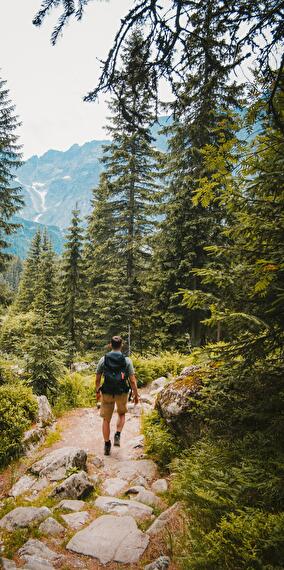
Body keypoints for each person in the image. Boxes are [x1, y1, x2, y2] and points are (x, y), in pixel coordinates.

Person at [95, 335, 139, 455]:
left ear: (110, 345)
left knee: (106, 420)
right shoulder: (127, 360)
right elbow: (133, 381)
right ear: (121, 345)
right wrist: (136, 396)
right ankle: (118, 434)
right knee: (121, 414)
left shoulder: (103, 360)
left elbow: (97, 379)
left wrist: (97, 392)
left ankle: (107, 444)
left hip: (107, 392)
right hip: (122, 392)